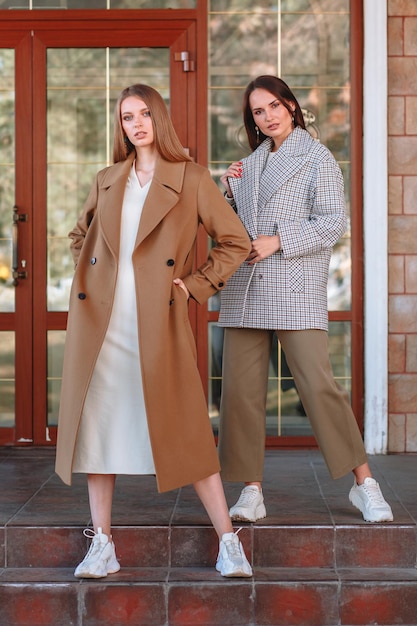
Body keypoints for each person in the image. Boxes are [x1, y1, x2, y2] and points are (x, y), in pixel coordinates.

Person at [55, 83, 253, 579]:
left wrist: (194, 286)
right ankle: (102, 544)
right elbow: (82, 235)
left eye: (144, 114)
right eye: (127, 117)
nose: (137, 123)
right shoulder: (107, 178)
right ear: (120, 126)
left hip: (156, 322)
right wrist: (91, 271)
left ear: (159, 119)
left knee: (186, 430)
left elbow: (234, 240)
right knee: (97, 435)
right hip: (101, 325)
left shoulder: (190, 178)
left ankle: (229, 541)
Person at [217, 75, 393, 524]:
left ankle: (364, 484)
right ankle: (250, 490)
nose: (268, 116)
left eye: (275, 105)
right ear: (252, 120)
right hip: (246, 288)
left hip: (294, 284)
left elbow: (334, 222)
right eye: (258, 111)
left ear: (292, 106)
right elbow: (231, 229)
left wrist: (278, 240)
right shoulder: (249, 165)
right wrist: (227, 190)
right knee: (241, 394)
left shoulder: (317, 157)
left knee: (318, 388)